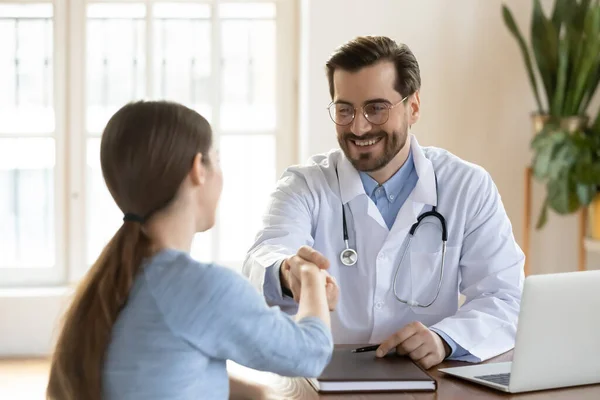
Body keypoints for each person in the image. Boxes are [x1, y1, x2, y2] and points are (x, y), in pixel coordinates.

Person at [243, 36, 525, 370]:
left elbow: (505, 297)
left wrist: (445, 340)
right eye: (345, 110)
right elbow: (265, 255)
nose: (358, 126)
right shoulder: (305, 185)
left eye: (376, 109)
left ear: (414, 106)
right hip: (323, 376)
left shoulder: (467, 186)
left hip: (429, 380)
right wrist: (289, 272)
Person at [46, 101, 338, 400]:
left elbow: (165, 369)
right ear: (198, 169)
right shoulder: (201, 287)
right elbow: (310, 353)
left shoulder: (123, 279)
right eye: (217, 159)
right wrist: (310, 274)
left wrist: (253, 393)